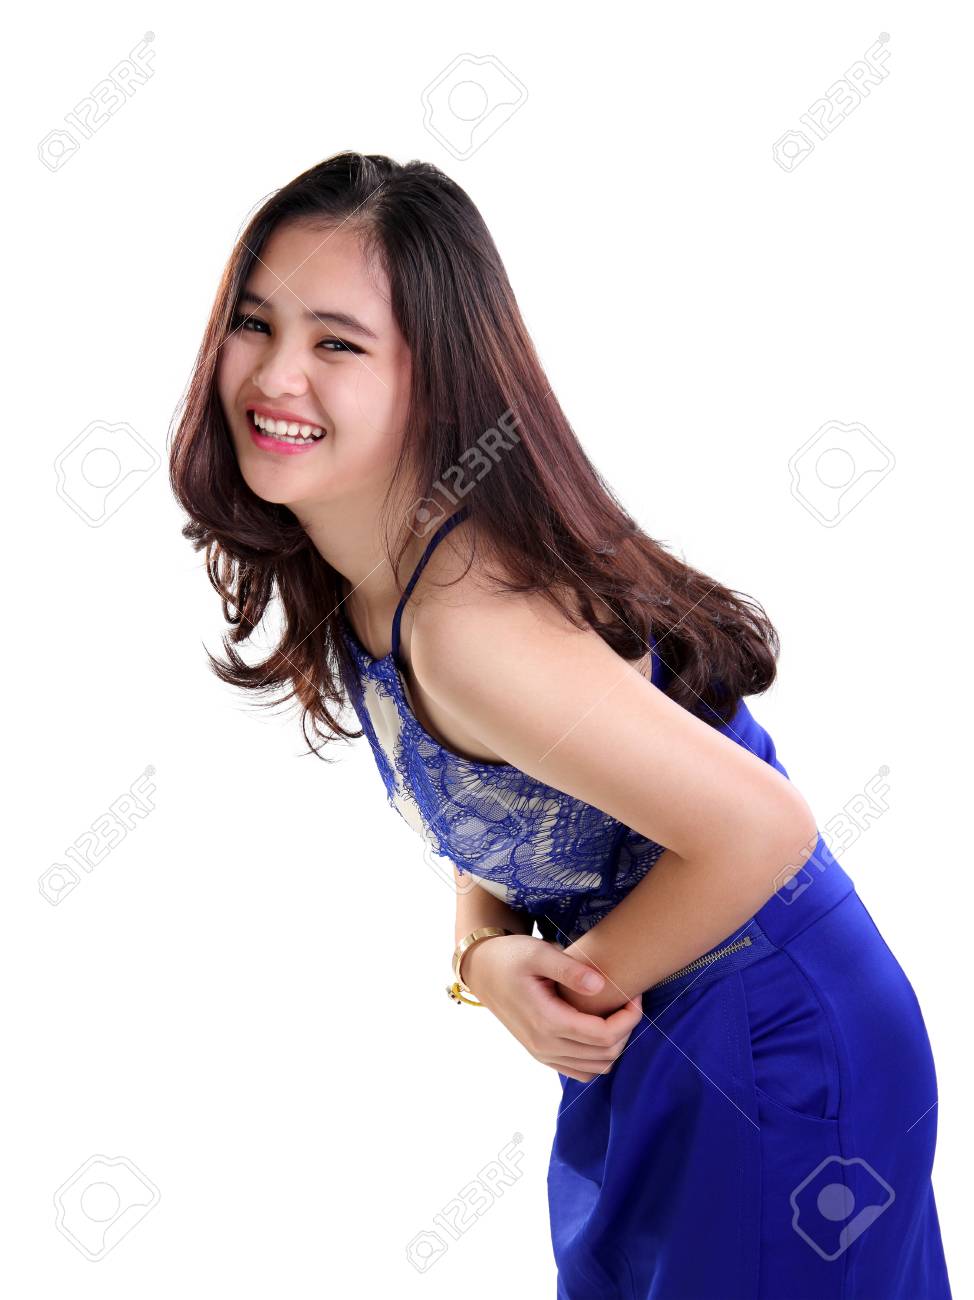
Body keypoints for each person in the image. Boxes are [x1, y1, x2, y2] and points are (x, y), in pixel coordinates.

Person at [170, 151, 952, 1298]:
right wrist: (480, 951)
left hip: (764, 1041)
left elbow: (762, 830)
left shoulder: (466, 623)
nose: (276, 374)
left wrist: (568, 988)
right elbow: (506, 797)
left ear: (433, 380)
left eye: (337, 343)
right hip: (672, 1032)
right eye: (255, 322)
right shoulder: (361, 559)